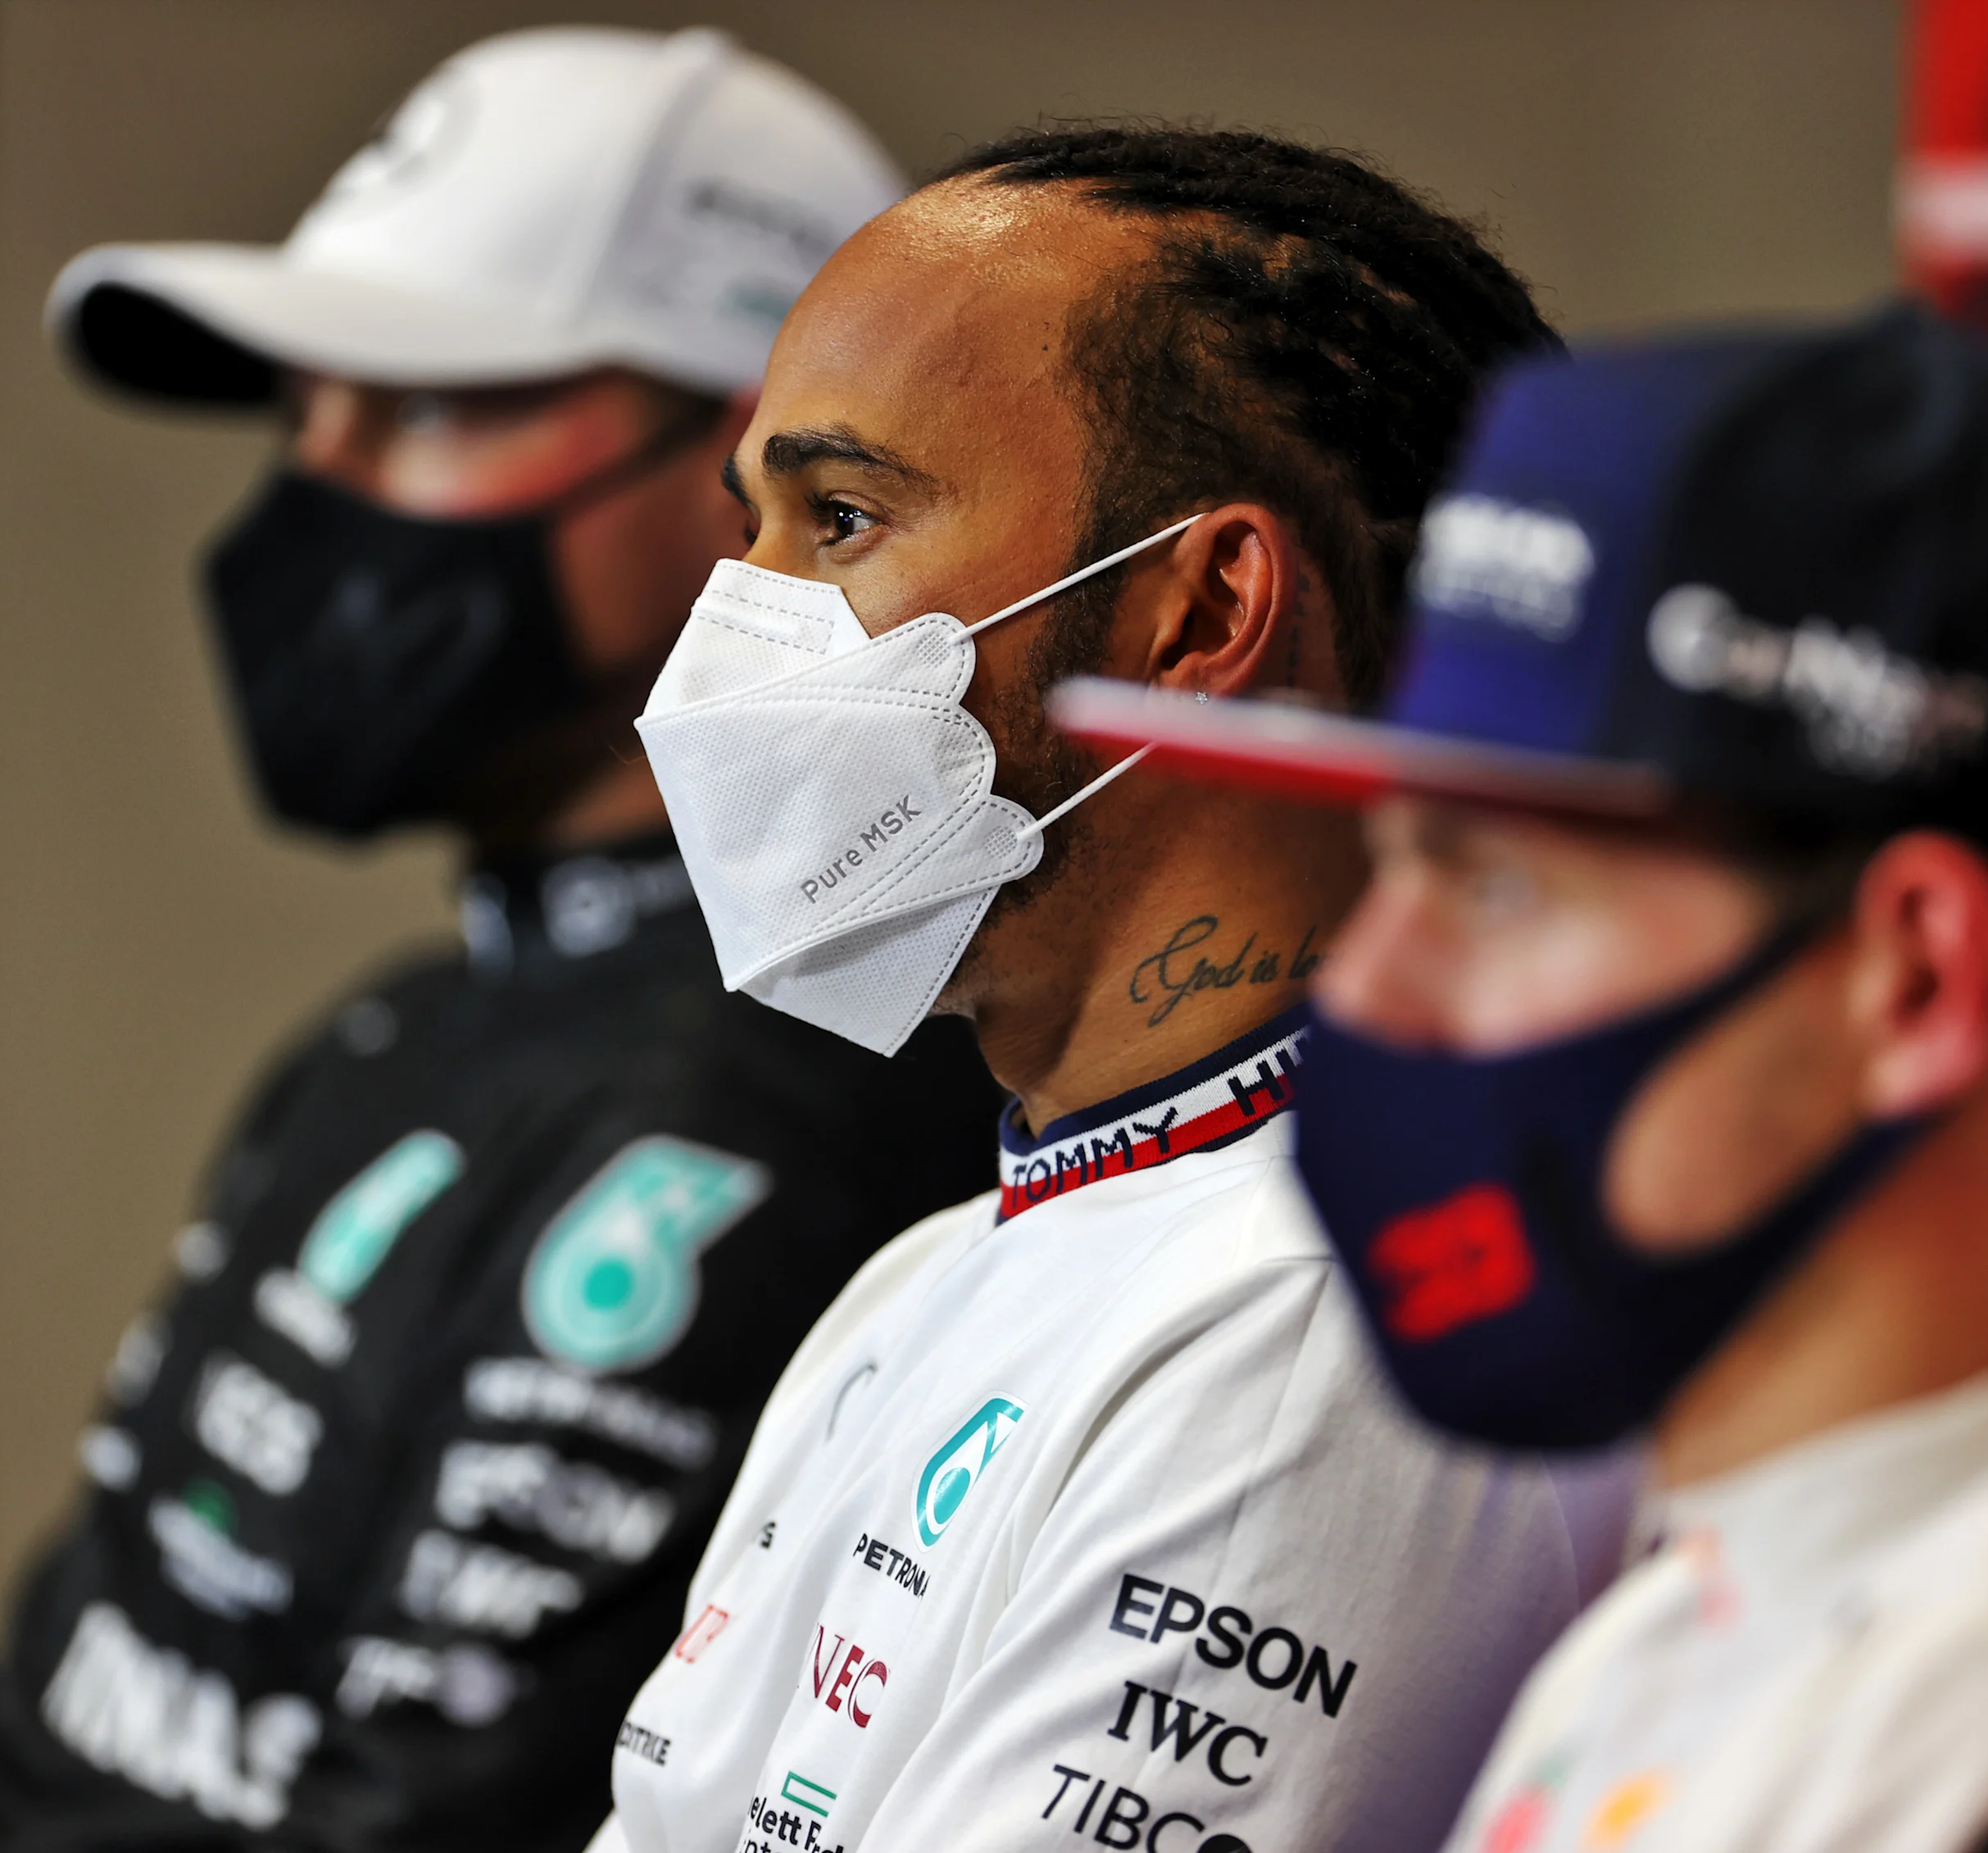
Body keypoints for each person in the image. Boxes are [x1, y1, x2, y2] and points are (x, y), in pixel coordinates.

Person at [0, 28, 1005, 1853]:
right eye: (304, 412)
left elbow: (431, 1821)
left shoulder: (810, 1114)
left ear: (765, 477)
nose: (315, 485)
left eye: (428, 406)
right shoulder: (400, 1036)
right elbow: (57, 1696)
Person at [1056, 305, 1988, 1850]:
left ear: (1912, 975)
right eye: (1387, 866)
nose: (1366, 983)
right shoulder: (1716, 1614)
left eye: (1493, 886)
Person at [591, 126, 1635, 1853]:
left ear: (1197, 611)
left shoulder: (1325, 1310)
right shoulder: (936, 1273)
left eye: (840, 519)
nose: (733, 622)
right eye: (751, 523)